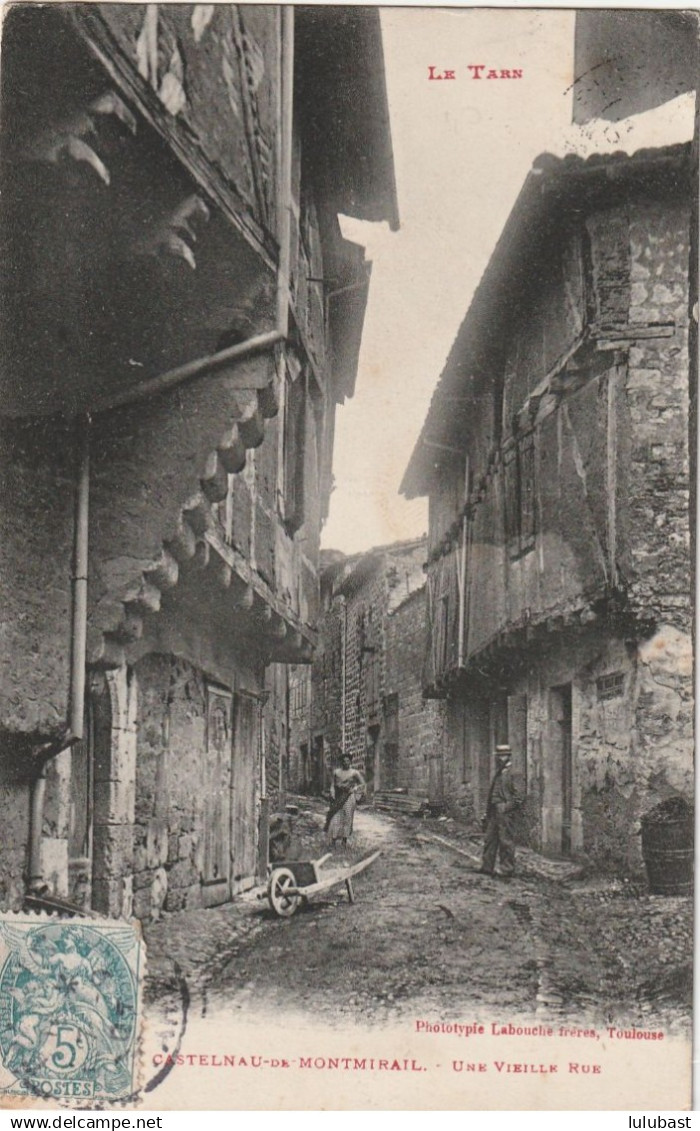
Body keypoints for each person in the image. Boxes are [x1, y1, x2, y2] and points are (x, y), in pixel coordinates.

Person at [478, 744, 523, 879]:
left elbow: (519, 796)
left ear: (508, 756)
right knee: (489, 839)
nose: (500, 758)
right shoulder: (499, 772)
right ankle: (487, 867)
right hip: (494, 812)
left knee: (506, 841)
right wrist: (488, 811)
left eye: (503, 756)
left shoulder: (514, 772)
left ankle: (507, 869)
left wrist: (506, 807)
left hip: (505, 813)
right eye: (498, 756)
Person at [324, 753, 365, 848]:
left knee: (347, 818)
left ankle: (344, 840)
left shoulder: (355, 773)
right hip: (338, 797)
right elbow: (332, 784)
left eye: (347, 761)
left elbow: (362, 784)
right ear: (341, 762)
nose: (345, 763)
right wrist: (332, 792)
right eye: (343, 761)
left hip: (349, 797)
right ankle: (333, 840)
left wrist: (354, 789)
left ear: (350, 762)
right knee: (336, 818)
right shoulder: (336, 772)